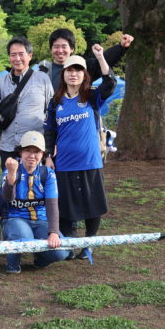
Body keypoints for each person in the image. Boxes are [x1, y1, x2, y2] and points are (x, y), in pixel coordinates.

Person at [44, 46, 115, 261]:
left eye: (78, 70)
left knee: (93, 204)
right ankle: (72, 243)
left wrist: (100, 57)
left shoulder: (91, 96)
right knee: (65, 206)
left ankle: (89, 243)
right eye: (69, 70)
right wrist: (48, 156)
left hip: (90, 161)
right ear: (63, 74)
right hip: (64, 163)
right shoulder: (56, 102)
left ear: (84, 74)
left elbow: (110, 83)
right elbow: (50, 131)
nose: (73, 74)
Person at [0, 36, 54, 168]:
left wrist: (50, 146)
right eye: (13, 55)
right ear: (9, 57)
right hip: (9, 146)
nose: (17, 58)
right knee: (9, 180)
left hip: (35, 148)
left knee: (35, 181)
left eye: (21, 54)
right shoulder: (1, 81)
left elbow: (51, 109)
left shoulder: (42, 79)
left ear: (30, 56)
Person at [0, 131, 68, 274]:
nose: (32, 155)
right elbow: (7, 199)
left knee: (61, 252)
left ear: (42, 154)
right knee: (25, 239)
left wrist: (54, 232)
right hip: (15, 218)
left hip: (41, 221)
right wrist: (11, 177)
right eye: (27, 150)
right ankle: (12, 262)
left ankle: (40, 259)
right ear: (20, 152)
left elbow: (52, 205)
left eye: (37, 151)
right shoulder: (10, 170)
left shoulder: (48, 173)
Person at [38, 29, 134, 90]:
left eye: (64, 46)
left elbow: (105, 59)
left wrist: (121, 47)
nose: (60, 50)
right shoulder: (44, 72)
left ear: (72, 49)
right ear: (51, 49)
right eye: (56, 46)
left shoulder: (84, 67)